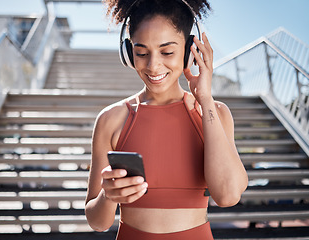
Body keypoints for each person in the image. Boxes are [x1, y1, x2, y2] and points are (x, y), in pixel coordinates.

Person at [85, 0, 248, 239]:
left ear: (191, 49)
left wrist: (204, 98)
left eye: (167, 52)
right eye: (141, 53)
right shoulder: (111, 119)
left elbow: (228, 195)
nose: (153, 65)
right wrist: (107, 196)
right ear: (129, 53)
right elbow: (97, 222)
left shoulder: (213, 112)